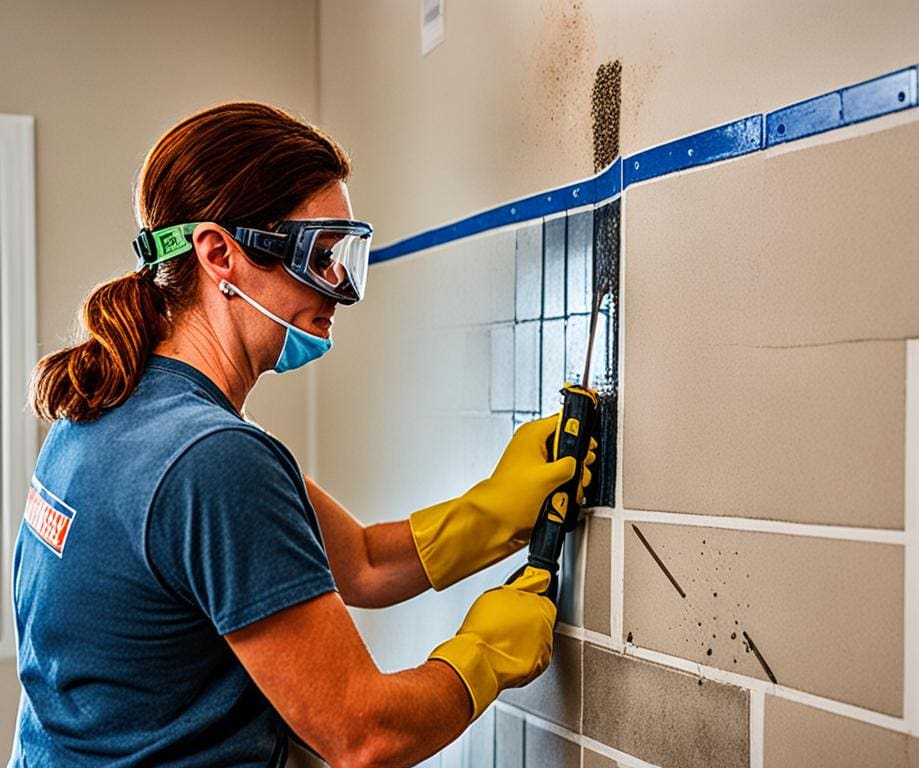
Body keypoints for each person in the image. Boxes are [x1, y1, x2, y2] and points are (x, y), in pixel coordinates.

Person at [11, 102, 594, 767]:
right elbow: (363, 736)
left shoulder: (109, 408)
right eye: (319, 255)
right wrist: (482, 656)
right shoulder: (211, 459)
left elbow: (362, 564)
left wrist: (496, 510)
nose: (339, 286)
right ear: (219, 254)